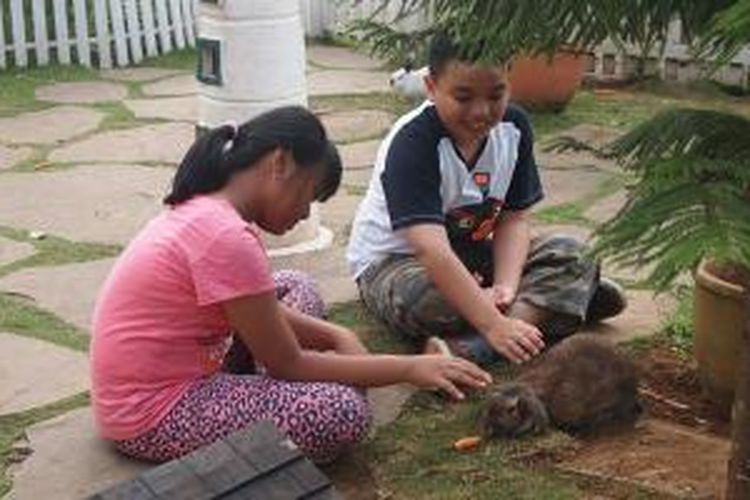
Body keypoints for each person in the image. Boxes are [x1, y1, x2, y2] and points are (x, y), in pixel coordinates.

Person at [90, 106, 491, 464]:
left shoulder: (209, 213)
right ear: (280, 163)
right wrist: (410, 368)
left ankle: (266, 385)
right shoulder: (226, 236)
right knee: (340, 412)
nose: (304, 213)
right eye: (309, 195)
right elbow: (288, 364)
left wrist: (338, 334)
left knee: (293, 283)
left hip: (163, 379)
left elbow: (256, 306)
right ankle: (273, 389)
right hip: (154, 414)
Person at [347, 33, 627, 367]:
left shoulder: (515, 127)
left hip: (472, 256)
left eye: (496, 95)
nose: (481, 112)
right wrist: (492, 319)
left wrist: (505, 288)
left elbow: (514, 219)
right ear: (431, 86)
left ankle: (482, 342)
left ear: (509, 80)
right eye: (463, 97)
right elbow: (429, 249)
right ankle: (553, 303)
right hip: (397, 263)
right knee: (425, 300)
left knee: (574, 252)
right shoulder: (412, 142)